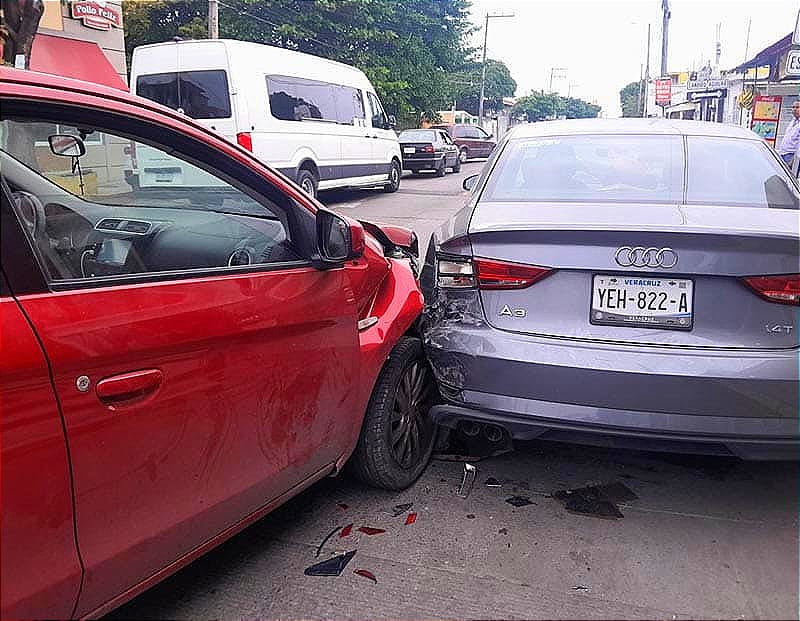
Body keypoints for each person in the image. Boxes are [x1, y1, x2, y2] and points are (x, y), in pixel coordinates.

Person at [777, 100, 800, 167]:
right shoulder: (793, 121)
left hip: (791, 155)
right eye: (793, 107)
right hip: (783, 153)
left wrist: (794, 159)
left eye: (797, 107)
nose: (794, 109)